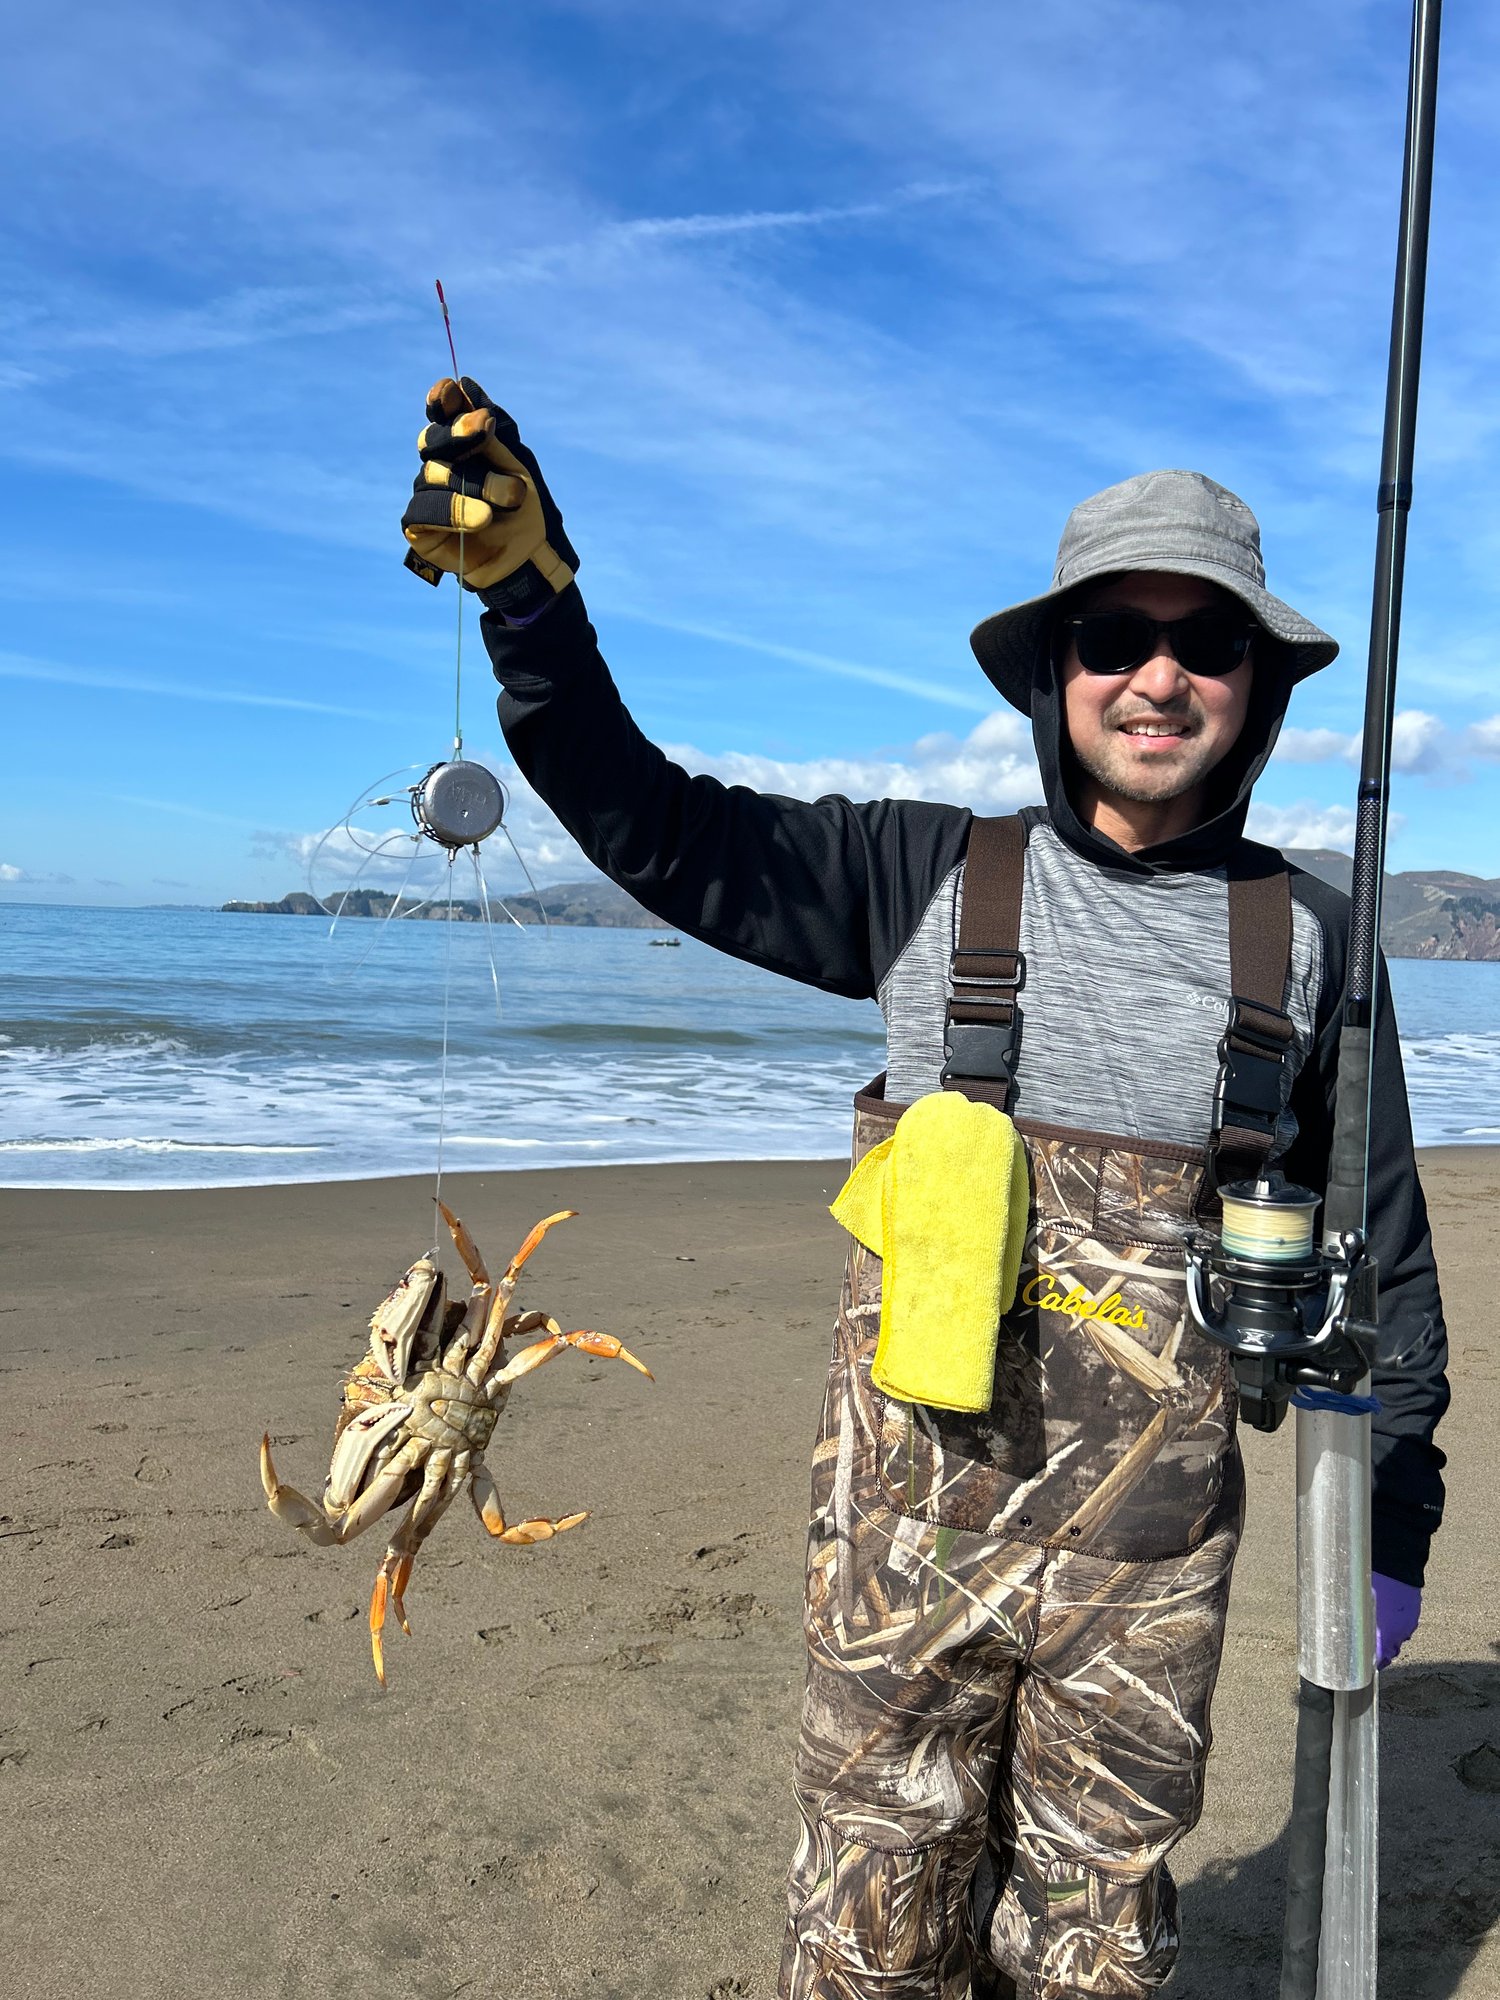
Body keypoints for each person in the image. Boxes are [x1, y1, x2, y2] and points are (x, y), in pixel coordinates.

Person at [401, 384, 1449, 2000]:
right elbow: (652, 824)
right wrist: (533, 609)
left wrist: (1392, 1519)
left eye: (1206, 644)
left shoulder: (1309, 943)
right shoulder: (919, 876)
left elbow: (1381, 1265)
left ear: (1259, 688)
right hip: (900, 1547)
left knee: (1098, 1950)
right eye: (1111, 635)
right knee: (869, 1947)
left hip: (1152, 1584)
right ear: (1054, 671)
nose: (1156, 676)